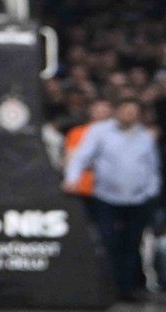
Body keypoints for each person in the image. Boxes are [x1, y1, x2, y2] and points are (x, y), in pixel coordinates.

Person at [64, 98, 160, 301]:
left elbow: (152, 167)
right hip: (106, 198)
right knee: (109, 242)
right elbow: (81, 156)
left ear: (139, 115)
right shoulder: (100, 131)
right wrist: (72, 179)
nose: (129, 115)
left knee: (132, 244)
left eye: (133, 112)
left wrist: (151, 191)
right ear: (117, 111)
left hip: (138, 199)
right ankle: (108, 289)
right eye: (126, 110)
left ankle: (130, 289)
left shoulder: (144, 136)